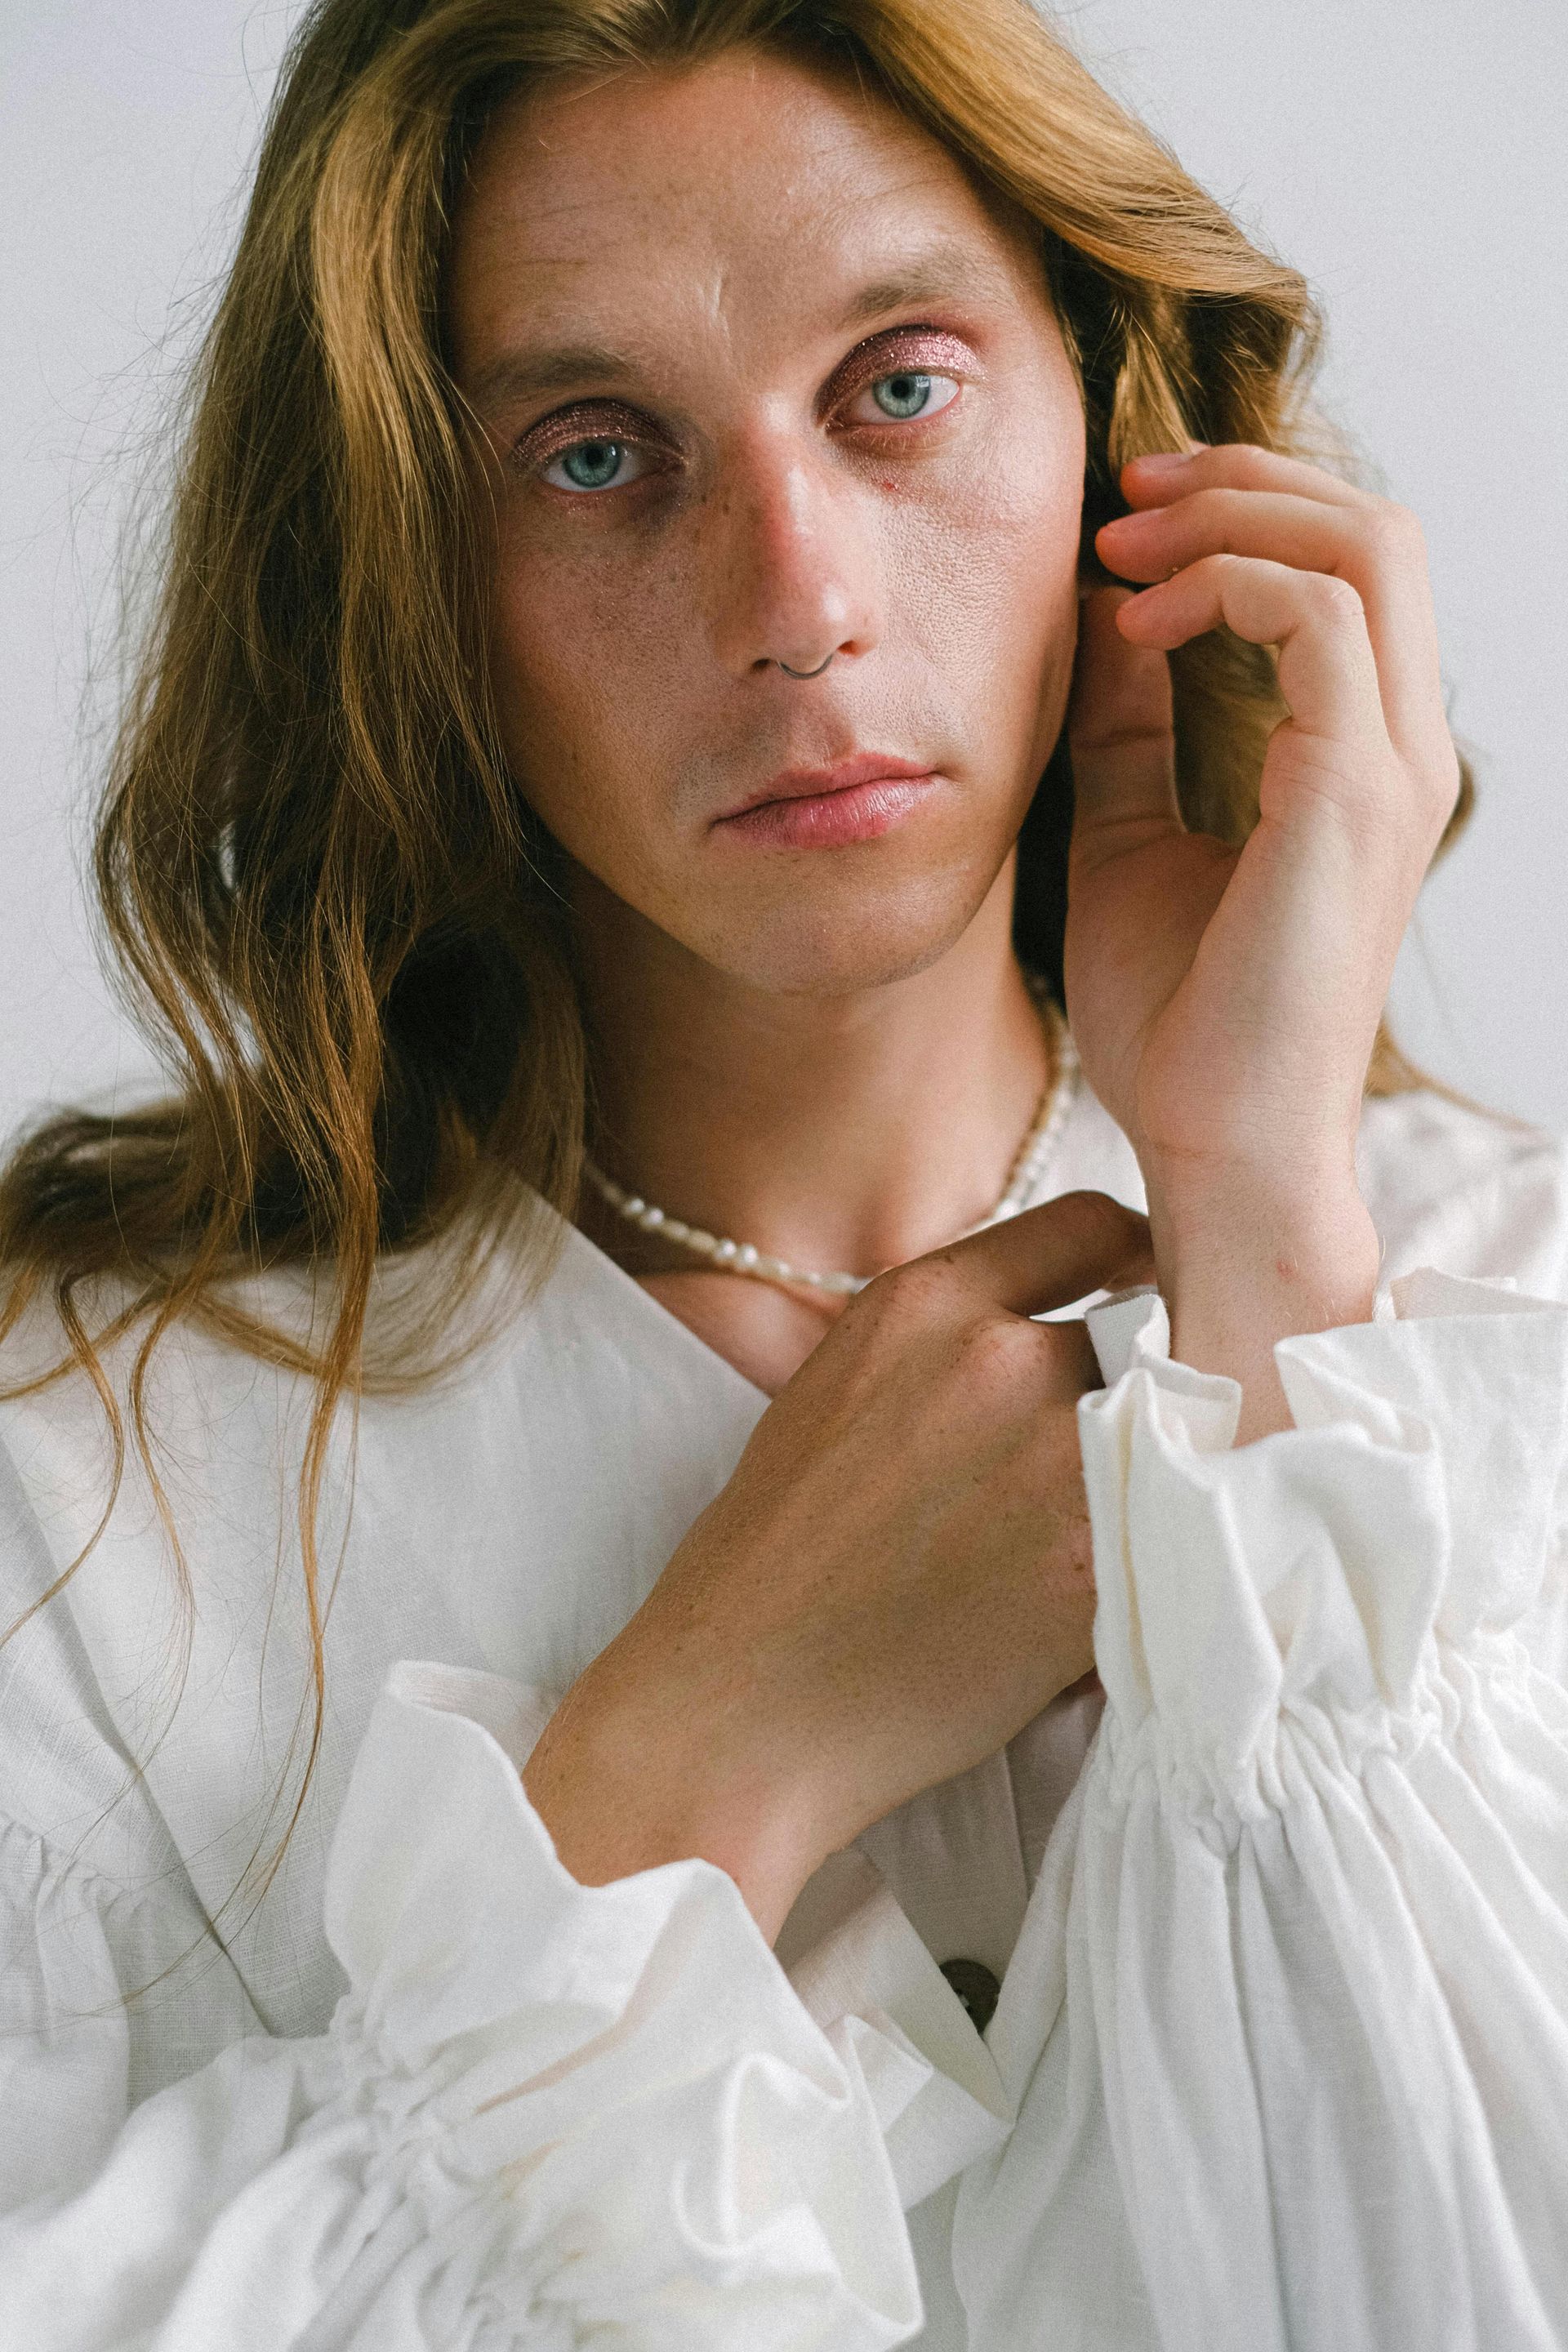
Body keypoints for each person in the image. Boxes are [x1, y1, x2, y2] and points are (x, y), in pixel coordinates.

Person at [2, 0, 1566, 2344]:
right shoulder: (86, 1498)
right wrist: (702, 1769)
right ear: (408, 575)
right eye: (594, 455)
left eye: (897, 388)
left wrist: (1262, 1233)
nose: (800, 602)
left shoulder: (1503, 1310)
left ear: (1116, 436)